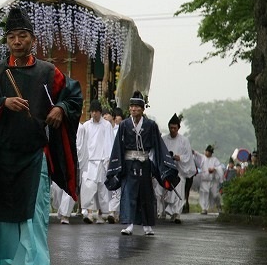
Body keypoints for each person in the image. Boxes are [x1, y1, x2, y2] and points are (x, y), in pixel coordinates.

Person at [0, 7, 83, 265]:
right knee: (3, 214)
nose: (17, 41)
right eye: (12, 36)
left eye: (22, 36)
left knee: (33, 213)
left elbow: (73, 97)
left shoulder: (50, 72)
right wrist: (2, 102)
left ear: (32, 39)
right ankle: (16, 264)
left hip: (33, 155)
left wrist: (61, 108)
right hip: (1, 156)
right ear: (7, 41)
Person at [105, 91, 179, 236]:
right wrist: (116, 166)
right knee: (128, 194)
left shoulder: (151, 125)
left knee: (146, 195)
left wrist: (164, 166)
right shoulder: (124, 125)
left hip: (144, 163)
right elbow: (118, 147)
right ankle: (129, 224)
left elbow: (158, 146)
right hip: (129, 164)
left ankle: (147, 226)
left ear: (143, 109)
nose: (134, 109)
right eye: (132, 106)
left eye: (137, 107)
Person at [77, 99, 115, 224]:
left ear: (100, 112)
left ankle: (103, 213)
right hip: (89, 161)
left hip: (102, 161)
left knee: (102, 189)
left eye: (96, 112)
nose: (94, 114)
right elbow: (83, 144)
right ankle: (89, 212)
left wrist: (108, 160)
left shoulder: (106, 125)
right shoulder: (86, 126)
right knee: (89, 187)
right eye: (92, 112)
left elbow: (109, 143)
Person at [160, 113, 196, 224]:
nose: (172, 130)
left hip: (179, 170)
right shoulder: (164, 139)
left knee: (179, 191)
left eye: (175, 128)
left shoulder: (184, 140)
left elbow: (188, 156)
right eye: (171, 128)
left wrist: (178, 157)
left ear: (178, 128)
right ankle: (165, 212)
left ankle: (177, 214)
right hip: (167, 171)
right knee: (167, 192)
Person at [194, 145, 224, 214]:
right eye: (207, 151)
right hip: (204, 180)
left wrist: (214, 169)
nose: (208, 153)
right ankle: (204, 208)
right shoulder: (202, 157)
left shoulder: (215, 160)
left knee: (215, 195)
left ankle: (219, 206)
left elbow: (219, 167)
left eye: (209, 152)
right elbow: (196, 154)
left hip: (212, 181)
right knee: (204, 194)